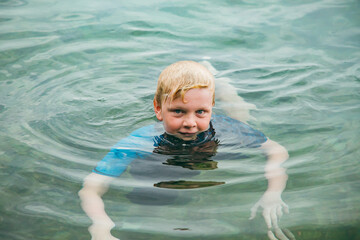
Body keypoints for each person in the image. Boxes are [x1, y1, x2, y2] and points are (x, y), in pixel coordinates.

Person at [79, 61, 292, 240]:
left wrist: (273, 193)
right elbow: (91, 187)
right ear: (158, 109)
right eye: (178, 111)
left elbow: (276, 151)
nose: (190, 123)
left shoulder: (227, 127)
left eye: (201, 111)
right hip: (184, 154)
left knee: (241, 116)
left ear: (211, 107)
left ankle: (221, 83)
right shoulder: (139, 141)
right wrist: (100, 227)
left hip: (218, 132)